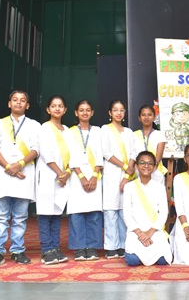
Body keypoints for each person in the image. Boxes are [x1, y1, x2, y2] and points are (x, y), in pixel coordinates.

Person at [0, 90, 40, 267]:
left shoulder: (34, 125)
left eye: (22, 100)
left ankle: (17, 250)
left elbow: (36, 149)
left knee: (20, 217)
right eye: (15, 100)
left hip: (24, 174)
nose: (18, 103)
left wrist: (20, 164)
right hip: (3, 173)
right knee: (1, 216)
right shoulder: (0, 124)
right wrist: (9, 166)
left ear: (27, 105)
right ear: (9, 103)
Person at [36, 95, 72, 265]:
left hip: (63, 176)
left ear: (65, 110)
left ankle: (55, 247)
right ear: (48, 109)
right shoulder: (45, 128)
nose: (57, 108)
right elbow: (46, 153)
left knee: (57, 213)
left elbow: (73, 153)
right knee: (45, 213)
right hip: (48, 175)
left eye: (60, 106)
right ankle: (46, 250)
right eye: (54, 106)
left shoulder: (67, 130)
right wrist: (60, 173)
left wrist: (67, 172)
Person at [67, 100, 104, 261]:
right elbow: (70, 155)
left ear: (92, 113)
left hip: (95, 174)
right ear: (76, 113)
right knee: (77, 212)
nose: (85, 113)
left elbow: (100, 154)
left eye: (88, 110)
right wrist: (81, 177)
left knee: (94, 212)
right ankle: (79, 247)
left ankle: (93, 247)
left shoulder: (97, 131)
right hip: (76, 176)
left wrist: (94, 176)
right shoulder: (70, 132)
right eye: (81, 110)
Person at [123, 151, 172, 266]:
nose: (146, 166)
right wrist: (140, 234)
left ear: (154, 167)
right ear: (136, 166)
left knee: (163, 260)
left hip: (154, 230)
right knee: (132, 261)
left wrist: (150, 233)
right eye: (142, 163)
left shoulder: (160, 188)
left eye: (150, 163)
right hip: (136, 231)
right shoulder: (129, 187)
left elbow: (164, 213)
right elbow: (127, 214)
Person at [101, 100, 136, 259]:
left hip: (127, 175)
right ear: (110, 113)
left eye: (122, 110)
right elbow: (106, 152)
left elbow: (133, 153)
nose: (119, 113)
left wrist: (127, 174)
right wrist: (125, 166)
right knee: (111, 211)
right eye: (115, 110)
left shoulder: (129, 132)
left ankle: (123, 244)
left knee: (124, 211)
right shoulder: (105, 129)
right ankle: (111, 246)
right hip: (111, 173)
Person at [134, 105, 167, 185]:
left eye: (149, 115)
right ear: (139, 118)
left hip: (156, 171)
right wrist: (139, 169)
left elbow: (158, 157)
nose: (146, 117)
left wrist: (150, 168)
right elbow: (133, 156)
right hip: (138, 171)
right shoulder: (133, 135)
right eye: (143, 115)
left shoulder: (159, 134)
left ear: (154, 117)